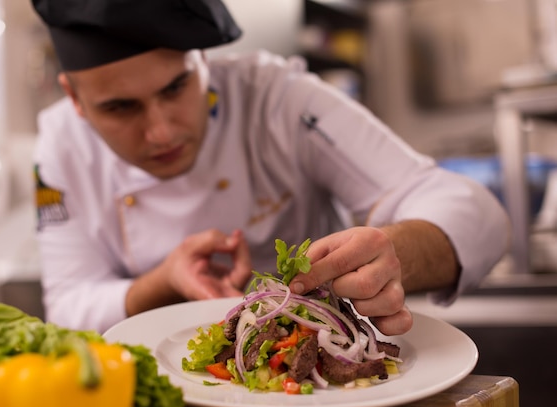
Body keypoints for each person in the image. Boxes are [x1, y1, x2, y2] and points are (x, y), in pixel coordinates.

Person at [30, 0, 510, 335]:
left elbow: (478, 213)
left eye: (175, 88)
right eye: (120, 108)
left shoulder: (278, 100)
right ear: (74, 97)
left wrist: (393, 256)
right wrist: (160, 284)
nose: (160, 132)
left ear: (203, 61)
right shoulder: (60, 146)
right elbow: (68, 309)